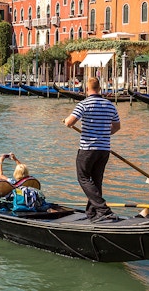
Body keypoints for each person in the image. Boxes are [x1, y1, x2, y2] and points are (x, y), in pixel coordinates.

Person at [63, 77, 121, 222]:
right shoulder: (110, 105)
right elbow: (117, 127)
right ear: (99, 89)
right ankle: (93, 213)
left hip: (88, 149)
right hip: (104, 149)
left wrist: (66, 122)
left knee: (83, 178)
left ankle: (103, 209)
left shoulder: (84, 104)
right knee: (96, 181)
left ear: (86, 89)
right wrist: (104, 134)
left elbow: (70, 122)